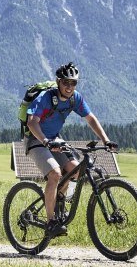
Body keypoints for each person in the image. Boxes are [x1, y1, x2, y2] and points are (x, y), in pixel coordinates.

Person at [25, 62, 117, 237]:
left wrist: (105, 140)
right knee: (55, 174)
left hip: (55, 138)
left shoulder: (76, 98)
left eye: (73, 83)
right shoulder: (45, 97)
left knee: (76, 172)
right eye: (66, 82)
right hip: (36, 139)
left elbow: (90, 118)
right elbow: (32, 122)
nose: (69, 87)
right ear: (58, 82)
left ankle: (58, 198)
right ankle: (51, 221)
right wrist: (45, 141)